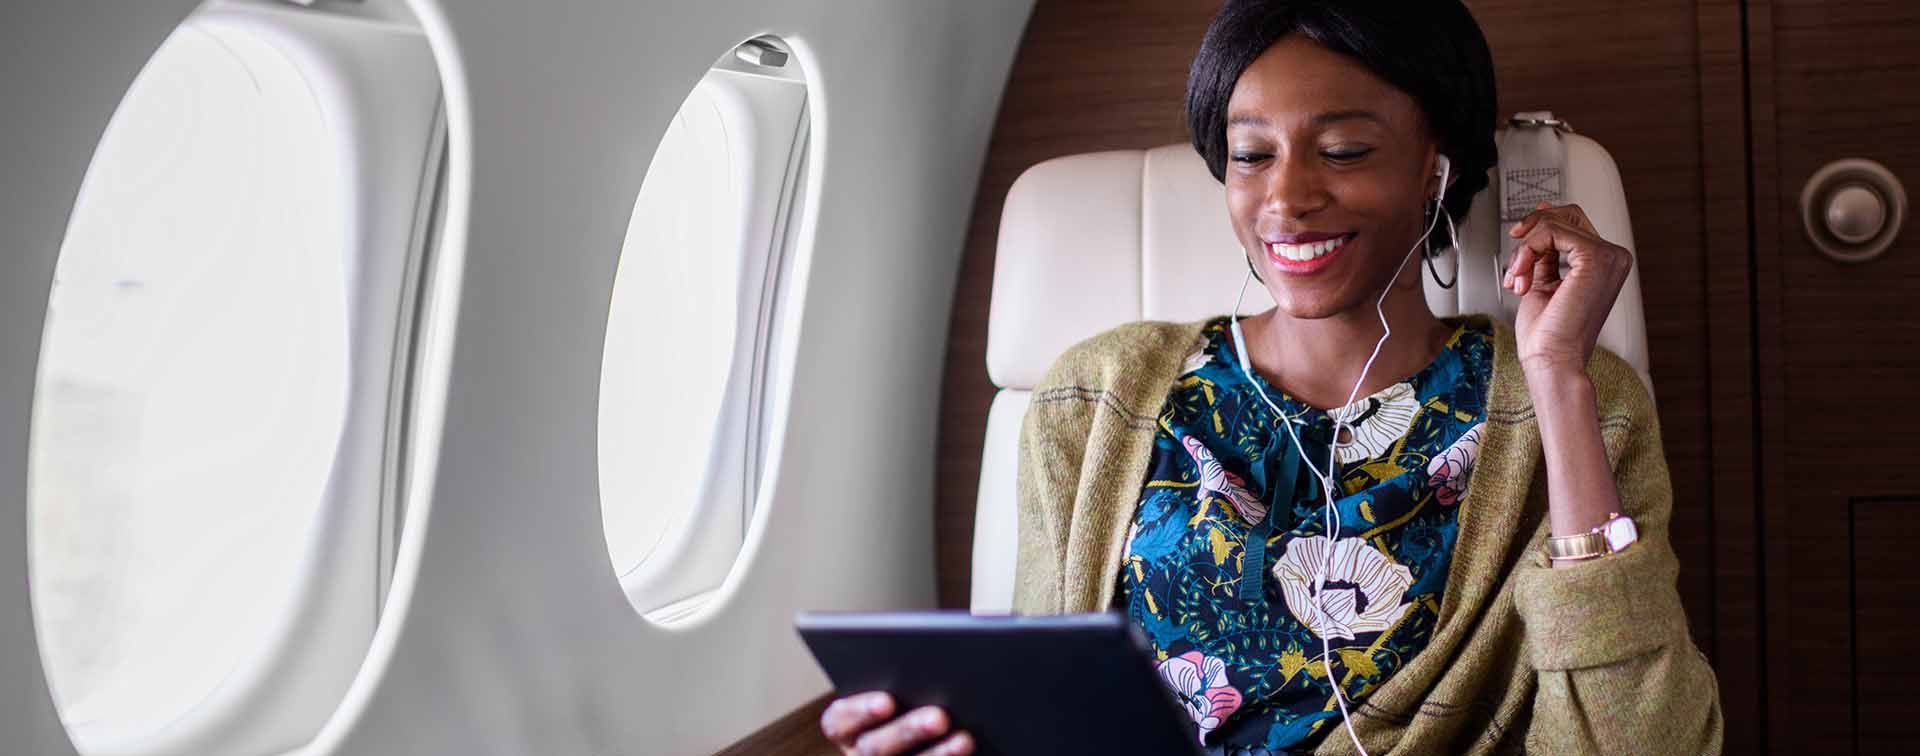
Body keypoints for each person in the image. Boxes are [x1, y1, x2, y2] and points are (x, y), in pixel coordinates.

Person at [821, 1, 1724, 753]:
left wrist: (1558, 377)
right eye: (1252, 155)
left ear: (1435, 169)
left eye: (1342, 152)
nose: (1286, 199)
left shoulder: (1575, 398)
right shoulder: (1094, 396)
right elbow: (1048, 720)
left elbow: (1643, 743)